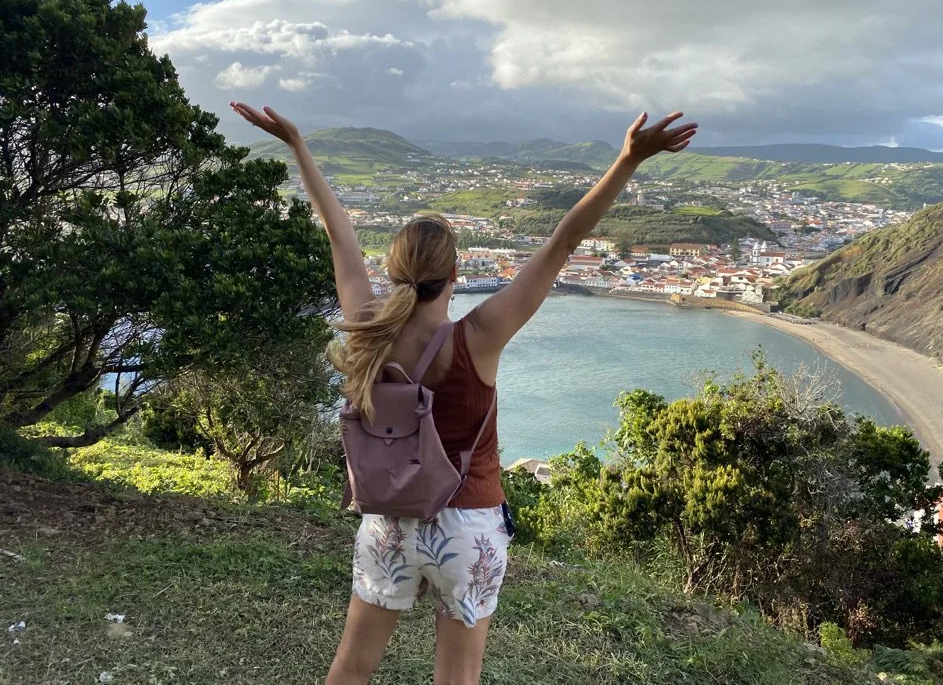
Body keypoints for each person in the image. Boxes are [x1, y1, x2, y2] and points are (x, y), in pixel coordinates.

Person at [229, 101, 698, 685]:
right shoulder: (479, 336)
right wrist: (628, 160)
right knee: (459, 676)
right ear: (456, 275)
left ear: (393, 271)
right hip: (469, 526)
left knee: (352, 666)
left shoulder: (369, 327)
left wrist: (299, 144)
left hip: (388, 519)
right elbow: (565, 239)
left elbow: (338, 234)